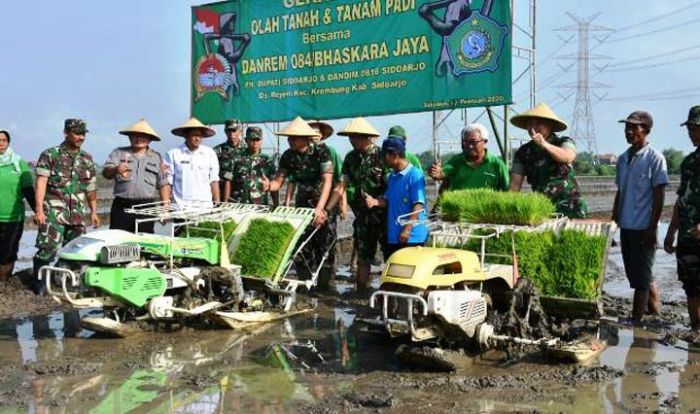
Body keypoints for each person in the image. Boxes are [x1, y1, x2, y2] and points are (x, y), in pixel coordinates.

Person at [261, 117, 335, 290]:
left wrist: (320, 209)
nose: (290, 140)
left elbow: (328, 181)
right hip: (303, 205)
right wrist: (268, 186)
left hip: (322, 203)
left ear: (305, 138)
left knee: (325, 246)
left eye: (293, 137)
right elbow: (278, 182)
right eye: (288, 137)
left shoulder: (321, 151)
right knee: (302, 246)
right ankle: (304, 286)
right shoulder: (288, 156)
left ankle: (324, 288)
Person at [612, 110, 668, 325]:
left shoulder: (655, 158)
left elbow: (659, 196)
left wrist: (652, 228)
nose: (628, 131)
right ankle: (655, 313)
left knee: (641, 281)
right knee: (638, 275)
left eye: (633, 127)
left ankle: (636, 321)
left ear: (645, 130)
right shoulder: (623, 159)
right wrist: (614, 221)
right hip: (626, 225)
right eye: (627, 127)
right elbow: (621, 192)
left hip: (644, 226)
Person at [33, 119, 100, 291]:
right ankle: (40, 284)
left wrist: (94, 212)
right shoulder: (50, 154)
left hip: (77, 214)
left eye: (83, 133)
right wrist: (39, 210)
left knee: (77, 251)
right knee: (47, 248)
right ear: (66, 133)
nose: (81, 137)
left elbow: (91, 188)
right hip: (53, 213)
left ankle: (68, 284)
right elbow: (41, 183)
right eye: (77, 133)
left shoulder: (87, 159)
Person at [327, 117, 386, 292]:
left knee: (390, 256)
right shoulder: (351, 158)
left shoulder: (382, 156)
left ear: (368, 137)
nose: (353, 140)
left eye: (356, 137)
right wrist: (327, 209)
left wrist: (379, 201)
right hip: (363, 217)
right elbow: (341, 186)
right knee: (363, 256)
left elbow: (395, 185)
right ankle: (361, 291)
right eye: (350, 137)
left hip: (384, 215)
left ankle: (389, 294)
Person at [509, 103, 587, 218]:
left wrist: (544, 144)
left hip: (571, 207)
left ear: (550, 125)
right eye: (530, 123)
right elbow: (514, 186)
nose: (533, 127)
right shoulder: (523, 152)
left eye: (538, 123)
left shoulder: (563, 142)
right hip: (543, 208)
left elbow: (568, 156)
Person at [664, 105, 700, 333]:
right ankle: (696, 330)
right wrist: (670, 233)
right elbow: (681, 202)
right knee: (691, 286)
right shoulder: (689, 163)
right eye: (689, 128)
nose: (690, 132)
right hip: (688, 236)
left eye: (694, 128)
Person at [365, 137, 429, 259]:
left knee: (410, 274)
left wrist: (408, 229)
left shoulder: (414, 175)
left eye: (384, 155)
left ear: (394, 155)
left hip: (412, 236)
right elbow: (389, 201)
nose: (382, 159)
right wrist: (375, 202)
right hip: (395, 235)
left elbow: (418, 205)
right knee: (394, 273)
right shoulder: (392, 177)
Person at [102, 119, 169, 233]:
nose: (138, 139)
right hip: (122, 207)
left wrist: (165, 209)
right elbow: (106, 174)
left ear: (149, 139)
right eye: (135, 136)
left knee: (145, 243)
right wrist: (115, 169)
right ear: (129, 137)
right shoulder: (118, 153)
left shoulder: (156, 157)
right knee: (119, 243)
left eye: (142, 136)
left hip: (146, 207)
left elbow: (163, 184)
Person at [429, 123, 509, 192]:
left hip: (488, 209)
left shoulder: (497, 164)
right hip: (459, 208)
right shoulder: (456, 161)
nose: (470, 146)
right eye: (466, 142)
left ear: (485, 142)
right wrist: (436, 173)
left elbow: (509, 191)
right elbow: (443, 173)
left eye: (474, 142)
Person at [0, 129, 35, 281]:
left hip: (13, 217)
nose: (1, 143)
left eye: (4, 140)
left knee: (9, 252)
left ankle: (4, 282)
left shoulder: (19, 163)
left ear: (8, 142)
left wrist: (39, 211)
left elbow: (28, 191)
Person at [163, 117, 220, 207]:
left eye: (200, 136)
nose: (198, 138)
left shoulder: (210, 153)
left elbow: (214, 181)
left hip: (204, 208)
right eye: (194, 135)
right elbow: (167, 182)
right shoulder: (173, 154)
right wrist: (165, 208)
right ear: (186, 135)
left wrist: (217, 205)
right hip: (180, 208)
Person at [223, 126, 276, 205]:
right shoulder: (235, 157)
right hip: (239, 203)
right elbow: (228, 180)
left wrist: (276, 203)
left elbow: (273, 183)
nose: (255, 142)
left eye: (257, 139)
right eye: (252, 139)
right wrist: (225, 202)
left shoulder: (267, 160)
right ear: (246, 140)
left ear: (261, 141)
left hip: (260, 204)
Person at [214, 119, 246, 200]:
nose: (232, 134)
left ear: (240, 131)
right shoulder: (218, 150)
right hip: (221, 195)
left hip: (241, 196)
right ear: (225, 132)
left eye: (234, 131)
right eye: (229, 131)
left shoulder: (246, 150)